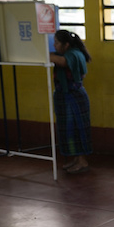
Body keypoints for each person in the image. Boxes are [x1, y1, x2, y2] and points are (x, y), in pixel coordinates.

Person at [49, 30, 92, 174]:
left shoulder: (74, 54)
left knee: (77, 128)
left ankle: (82, 161)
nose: (54, 45)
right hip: (65, 96)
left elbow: (63, 62)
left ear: (66, 44)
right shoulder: (68, 53)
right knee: (68, 130)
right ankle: (76, 159)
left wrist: (44, 53)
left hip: (74, 97)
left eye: (56, 42)